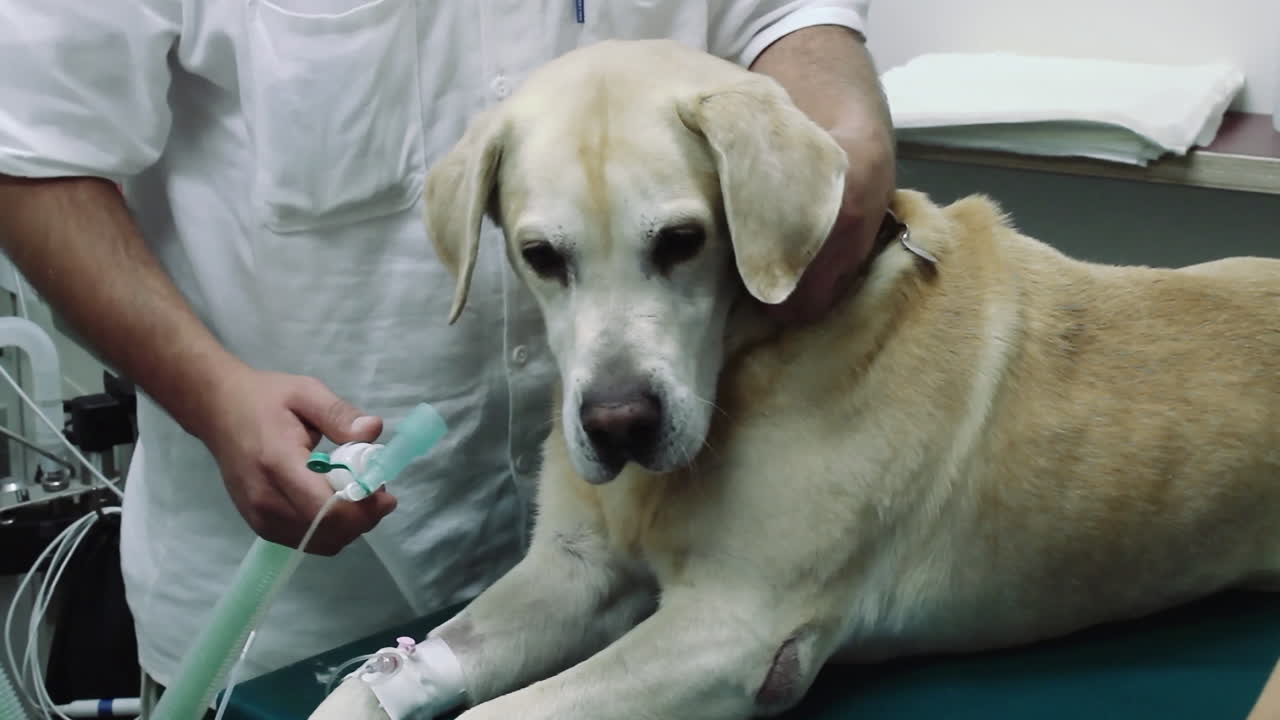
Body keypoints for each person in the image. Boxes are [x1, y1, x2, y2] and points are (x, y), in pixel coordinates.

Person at [0, 0, 894, 699]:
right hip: (294, 625)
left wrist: (829, 147)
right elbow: (30, 161)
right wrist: (211, 394)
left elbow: (790, 21)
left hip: (656, 610)